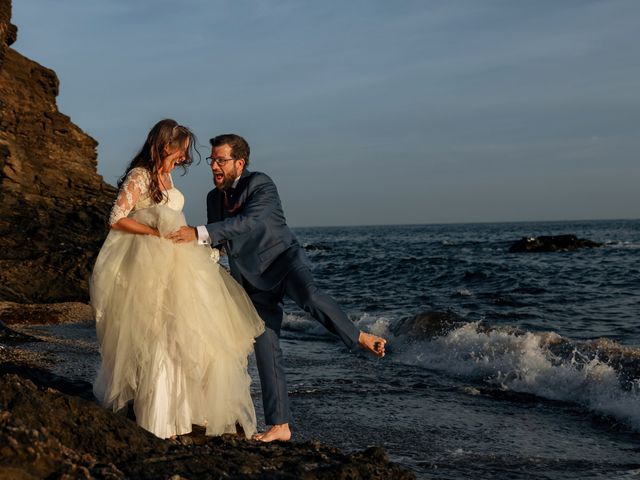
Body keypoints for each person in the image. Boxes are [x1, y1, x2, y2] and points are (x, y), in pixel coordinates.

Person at [168, 133, 387, 442]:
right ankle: (279, 426)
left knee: (310, 296)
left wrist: (198, 232)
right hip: (252, 282)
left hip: (283, 263)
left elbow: (250, 222)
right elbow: (218, 239)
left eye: (220, 160)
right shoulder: (213, 198)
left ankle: (359, 336)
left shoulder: (260, 184)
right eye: (212, 161)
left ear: (239, 163)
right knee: (266, 348)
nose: (214, 166)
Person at [91, 120, 264, 440]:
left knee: (186, 334)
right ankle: (159, 418)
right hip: (150, 266)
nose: (185, 156)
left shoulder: (167, 177)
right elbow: (116, 219)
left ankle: (186, 413)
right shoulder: (140, 176)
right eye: (181, 148)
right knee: (160, 335)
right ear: (165, 145)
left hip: (178, 262)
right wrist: (154, 234)